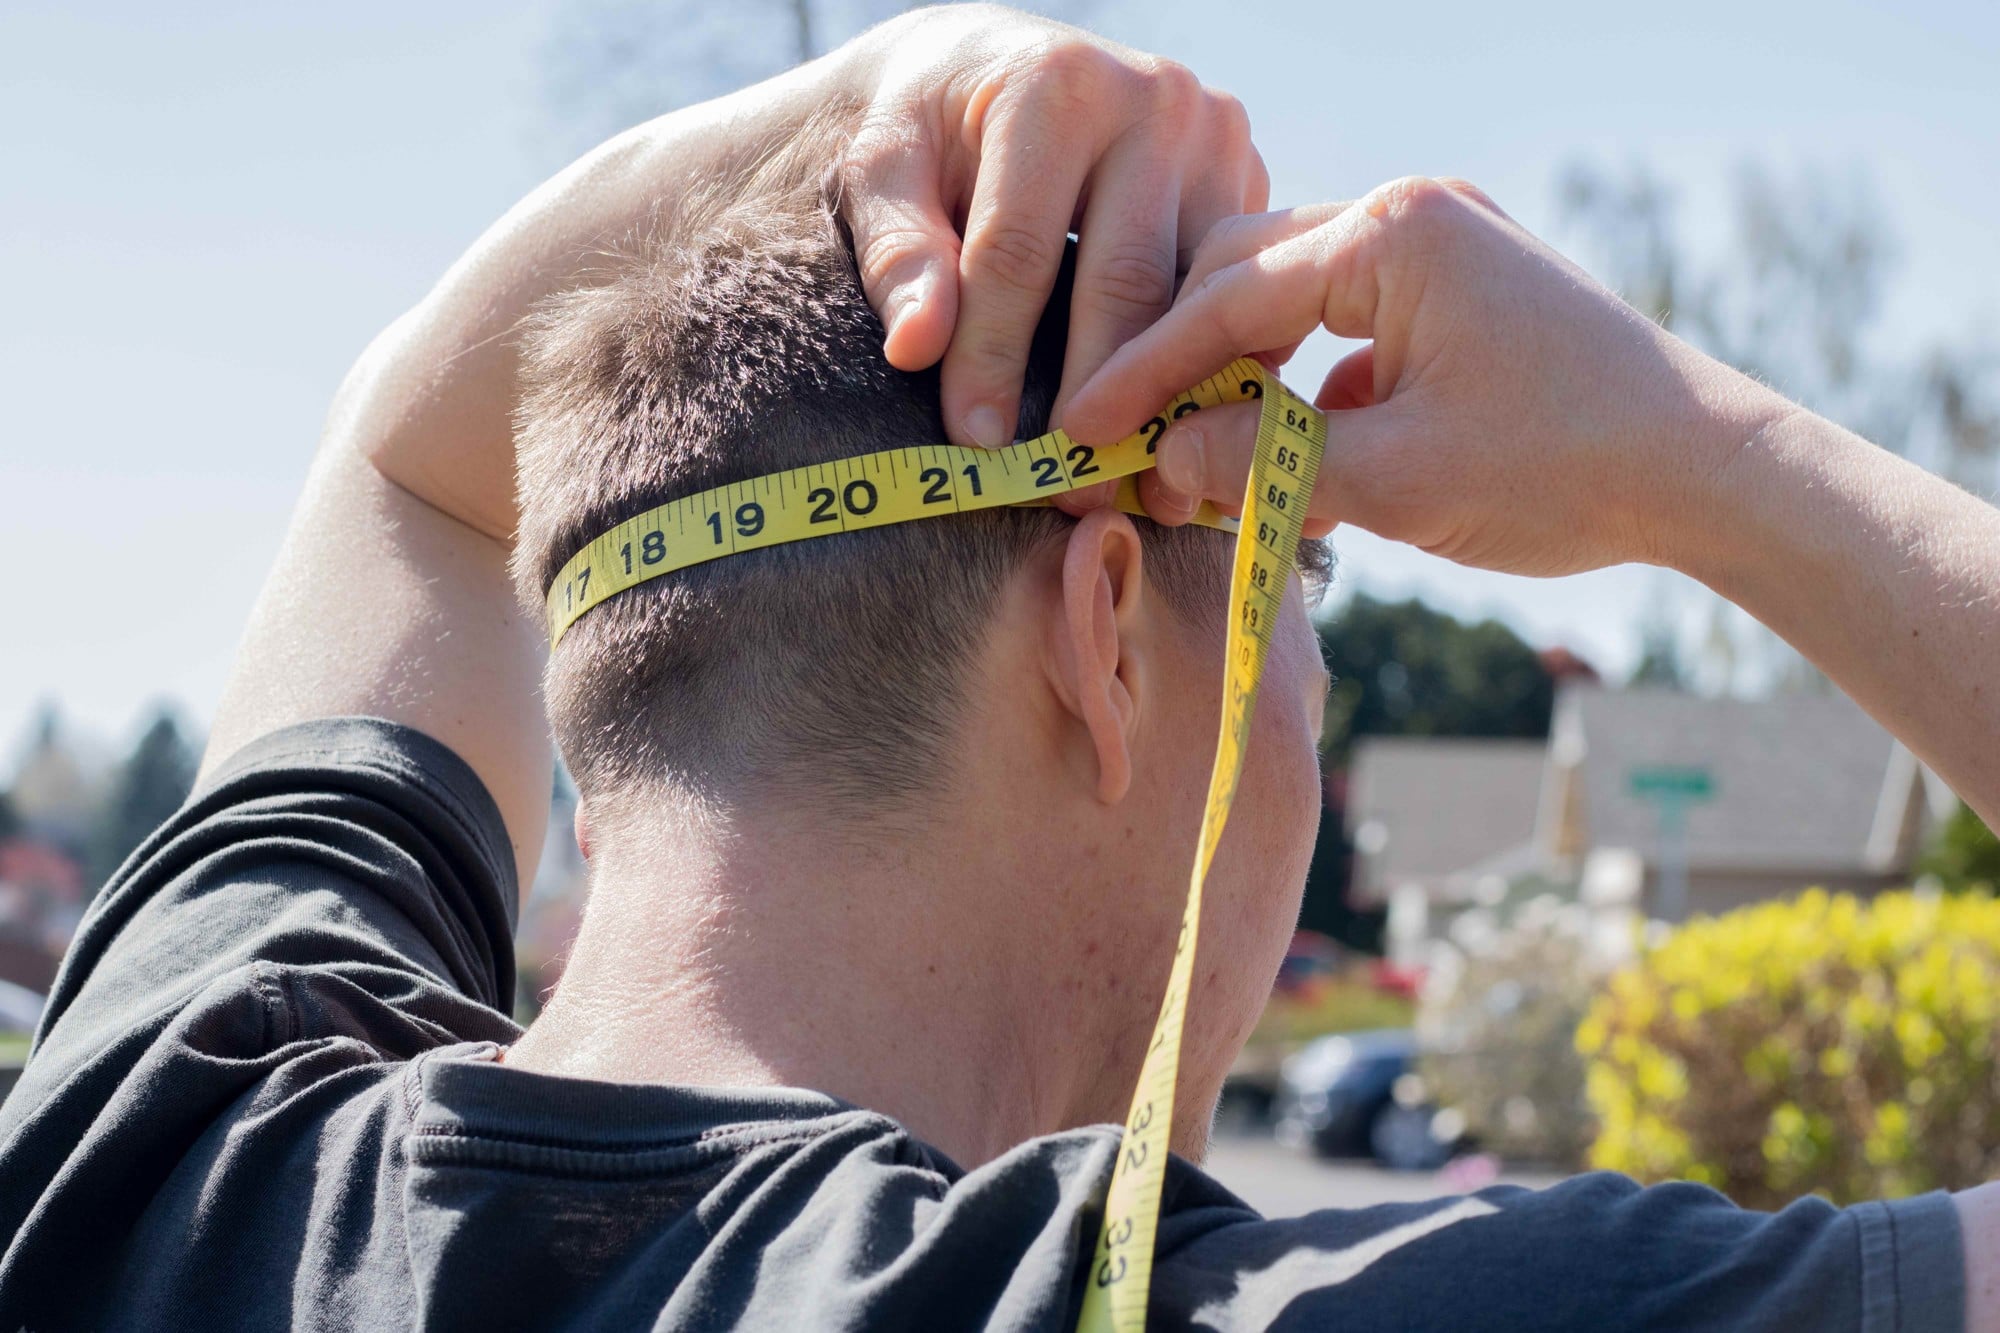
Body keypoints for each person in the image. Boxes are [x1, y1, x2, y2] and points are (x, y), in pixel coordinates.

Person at [0, 6, 1991, 1330]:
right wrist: (1707, 454)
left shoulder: (148, 1152)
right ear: (1104, 631)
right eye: (1290, 576)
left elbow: (402, 445)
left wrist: (878, 84)